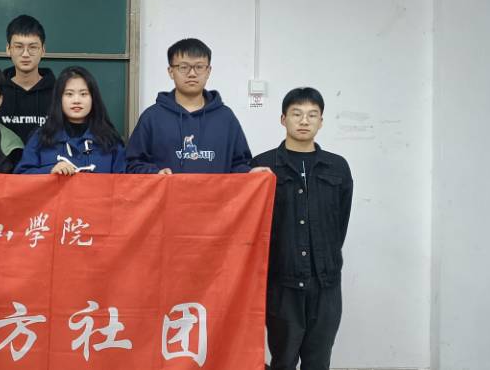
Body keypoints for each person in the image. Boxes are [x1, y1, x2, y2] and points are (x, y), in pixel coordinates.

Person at [250, 87, 354, 370]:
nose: (304, 121)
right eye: (296, 114)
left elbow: (340, 222)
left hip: (325, 284)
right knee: (283, 360)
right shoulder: (262, 165)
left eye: (312, 115)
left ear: (321, 121)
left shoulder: (337, 167)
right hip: (281, 283)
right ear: (283, 119)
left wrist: (326, 256)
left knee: (318, 361)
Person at [126, 38, 255, 174]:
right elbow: (132, 164)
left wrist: (251, 173)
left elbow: (239, 164)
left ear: (208, 71)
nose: (192, 74)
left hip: (215, 190)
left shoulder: (225, 118)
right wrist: (155, 174)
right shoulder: (152, 117)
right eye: (183, 67)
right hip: (168, 189)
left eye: (199, 67)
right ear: (171, 71)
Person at [15, 66, 125, 174]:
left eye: (83, 94)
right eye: (69, 94)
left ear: (93, 98)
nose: (76, 100)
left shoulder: (111, 141)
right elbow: (21, 177)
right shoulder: (41, 138)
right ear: (59, 99)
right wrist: (49, 170)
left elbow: (124, 181)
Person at [0, 14, 56, 143]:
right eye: (19, 47)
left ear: (43, 50)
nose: (25, 54)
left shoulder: (59, 92)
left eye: (33, 47)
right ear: (8, 49)